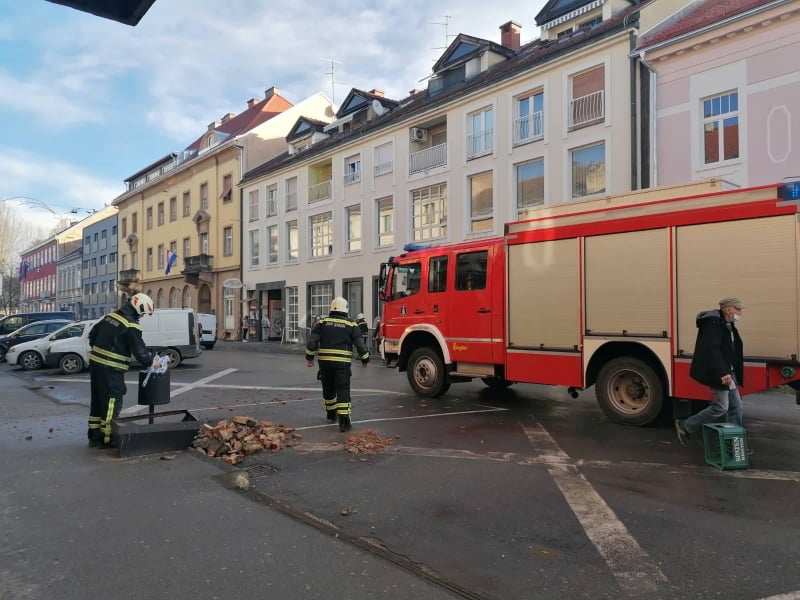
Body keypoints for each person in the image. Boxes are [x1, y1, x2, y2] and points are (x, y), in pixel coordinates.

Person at [87, 292, 154, 448]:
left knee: (97, 399)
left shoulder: (111, 317)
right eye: (143, 313)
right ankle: (108, 438)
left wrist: (99, 351)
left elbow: (92, 334)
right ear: (139, 308)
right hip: (111, 368)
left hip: (96, 364)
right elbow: (140, 351)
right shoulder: (130, 324)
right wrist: (150, 363)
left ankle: (94, 435)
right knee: (112, 401)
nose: (142, 316)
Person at [675, 297, 745, 445]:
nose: (740, 313)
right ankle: (686, 425)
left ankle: (734, 442)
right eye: (738, 310)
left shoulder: (727, 324)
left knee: (736, 407)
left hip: (728, 372)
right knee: (721, 407)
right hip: (720, 373)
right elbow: (712, 350)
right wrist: (722, 372)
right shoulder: (713, 324)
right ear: (728, 309)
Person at [305, 297, 370, 432]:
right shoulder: (351, 325)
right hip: (342, 364)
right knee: (343, 389)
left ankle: (331, 414)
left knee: (328, 389)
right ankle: (344, 421)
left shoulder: (322, 322)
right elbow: (360, 344)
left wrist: (309, 357)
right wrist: (365, 358)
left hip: (325, 364)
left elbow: (312, 342)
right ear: (345, 309)